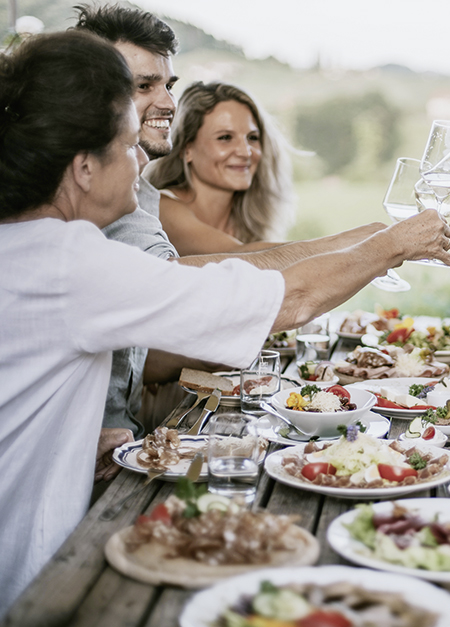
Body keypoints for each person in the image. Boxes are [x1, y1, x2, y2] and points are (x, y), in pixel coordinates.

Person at [0, 31, 450, 622]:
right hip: (19, 586)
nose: (141, 162)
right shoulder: (68, 260)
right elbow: (288, 300)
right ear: (83, 167)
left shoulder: (11, 245)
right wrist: (391, 246)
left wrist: (81, 431)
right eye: (128, 146)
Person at [72, 4, 394, 442]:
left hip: (117, 439)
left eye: (168, 85)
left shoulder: (137, 192)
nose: (168, 102)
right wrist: (372, 246)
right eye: (144, 85)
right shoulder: (101, 202)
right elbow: (209, 281)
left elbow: (137, 339)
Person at [145, 81, 295, 255]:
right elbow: (239, 255)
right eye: (225, 137)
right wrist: (325, 247)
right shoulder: (163, 208)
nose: (246, 152)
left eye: (252, 138)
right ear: (187, 149)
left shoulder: (249, 220)